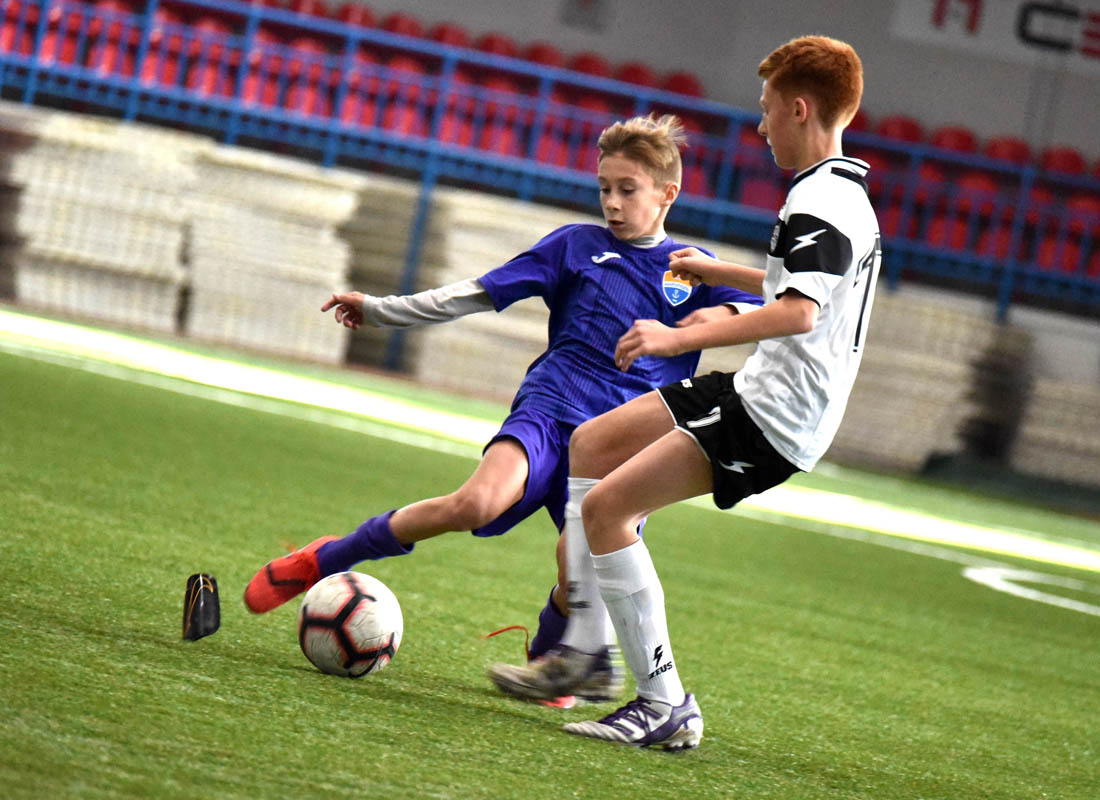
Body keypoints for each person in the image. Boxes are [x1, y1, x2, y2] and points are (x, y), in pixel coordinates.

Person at [242, 114, 763, 707]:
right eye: (604, 188)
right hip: (551, 409)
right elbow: (476, 292)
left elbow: (765, 309)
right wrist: (383, 309)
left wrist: (713, 318)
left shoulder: (694, 267)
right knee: (475, 503)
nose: (612, 203)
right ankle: (324, 558)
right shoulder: (576, 245)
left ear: (668, 193)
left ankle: (550, 657)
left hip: (622, 442)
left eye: (628, 190)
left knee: (582, 569)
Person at [486, 35, 880, 750]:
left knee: (606, 508)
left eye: (768, 108)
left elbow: (800, 313)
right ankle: (585, 648)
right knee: (591, 444)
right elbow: (798, 285)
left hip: (776, 417)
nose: (761, 124)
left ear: (799, 109)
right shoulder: (842, 191)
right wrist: (717, 273)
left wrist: (676, 339)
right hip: (758, 389)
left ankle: (662, 703)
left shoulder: (819, 199)